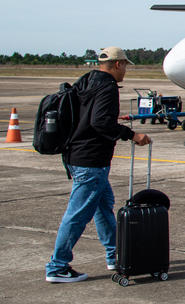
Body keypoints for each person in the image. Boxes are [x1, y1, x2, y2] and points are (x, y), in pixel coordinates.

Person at [46, 47, 152, 283]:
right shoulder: (107, 87)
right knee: (77, 214)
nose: (125, 70)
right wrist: (131, 134)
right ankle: (57, 266)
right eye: (125, 65)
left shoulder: (86, 81)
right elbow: (100, 122)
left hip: (78, 155)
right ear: (117, 64)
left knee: (103, 206)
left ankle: (115, 255)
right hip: (91, 161)